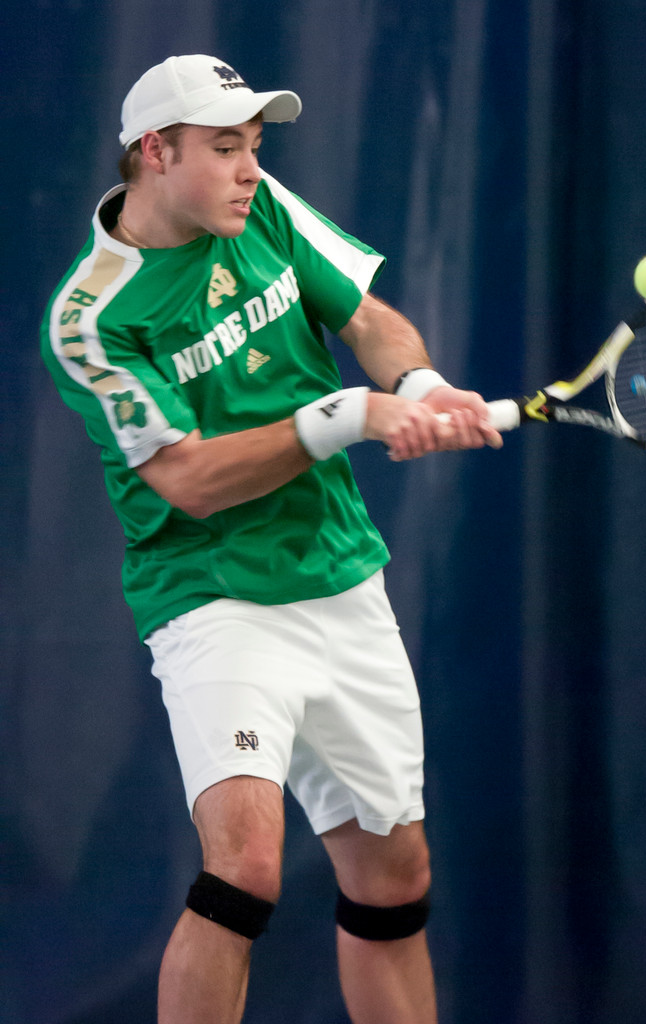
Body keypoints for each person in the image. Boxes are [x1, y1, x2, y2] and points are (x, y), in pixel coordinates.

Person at [41, 54, 502, 1024]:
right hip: (212, 597)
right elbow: (189, 480)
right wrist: (347, 416)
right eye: (224, 148)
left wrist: (416, 387)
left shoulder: (264, 211)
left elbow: (369, 320)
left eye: (255, 147)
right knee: (245, 867)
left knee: (391, 877)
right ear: (155, 153)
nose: (250, 169)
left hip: (337, 577)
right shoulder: (90, 320)